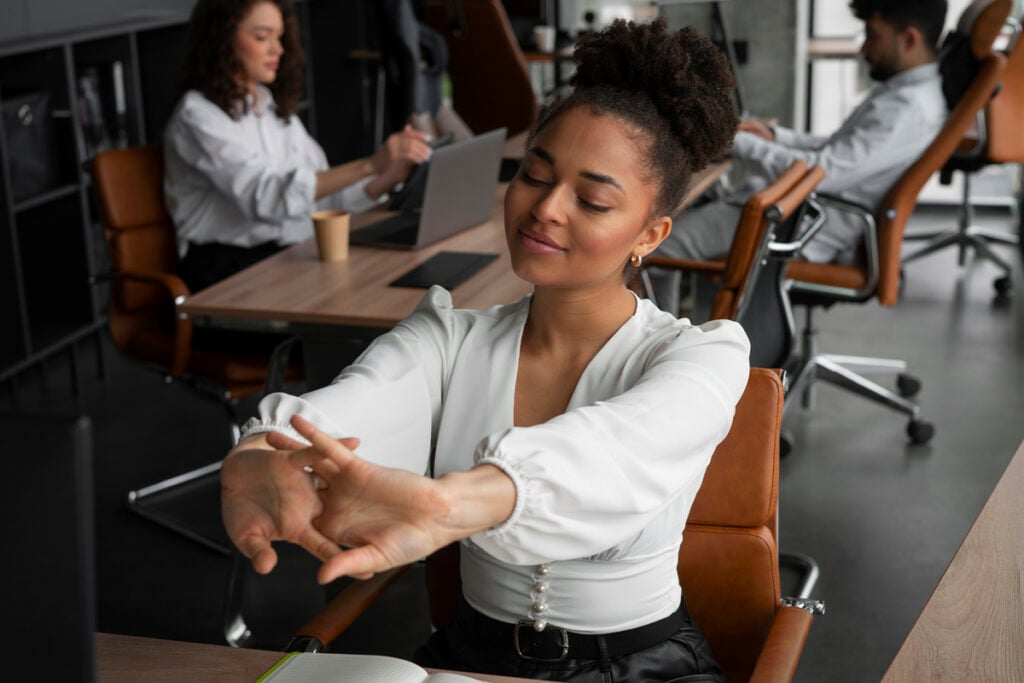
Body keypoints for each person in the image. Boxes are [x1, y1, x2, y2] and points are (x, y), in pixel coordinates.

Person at [220, 18, 749, 682]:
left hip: (641, 667)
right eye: (534, 173)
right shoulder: (449, 336)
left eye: (591, 199)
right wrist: (261, 449)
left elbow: (614, 451)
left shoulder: (702, 358)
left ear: (651, 232)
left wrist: (448, 506)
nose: (546, 207)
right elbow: (355, 404)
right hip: (468, 659)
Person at [652, 0, 948, 314]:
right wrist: (774, 138)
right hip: (801, 210)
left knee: (658, 245)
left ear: (910, 40)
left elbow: (825, 171)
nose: (864, 48)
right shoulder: (910, 94)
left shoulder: (906, 109)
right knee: (685, 208)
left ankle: (661, 348)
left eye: (873, 36)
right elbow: (838, 147)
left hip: (799, 220)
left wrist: (733, 140)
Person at [164, 0, 433, 292]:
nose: (277, 49)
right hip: (228, 270)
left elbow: (324, 200)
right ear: (222, 39)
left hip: (288, 255)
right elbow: (268, 198)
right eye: (262, 37)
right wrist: (369, 164)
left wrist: (388, 176)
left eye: (279, 37)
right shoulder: (197, 116)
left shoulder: (269, 107)